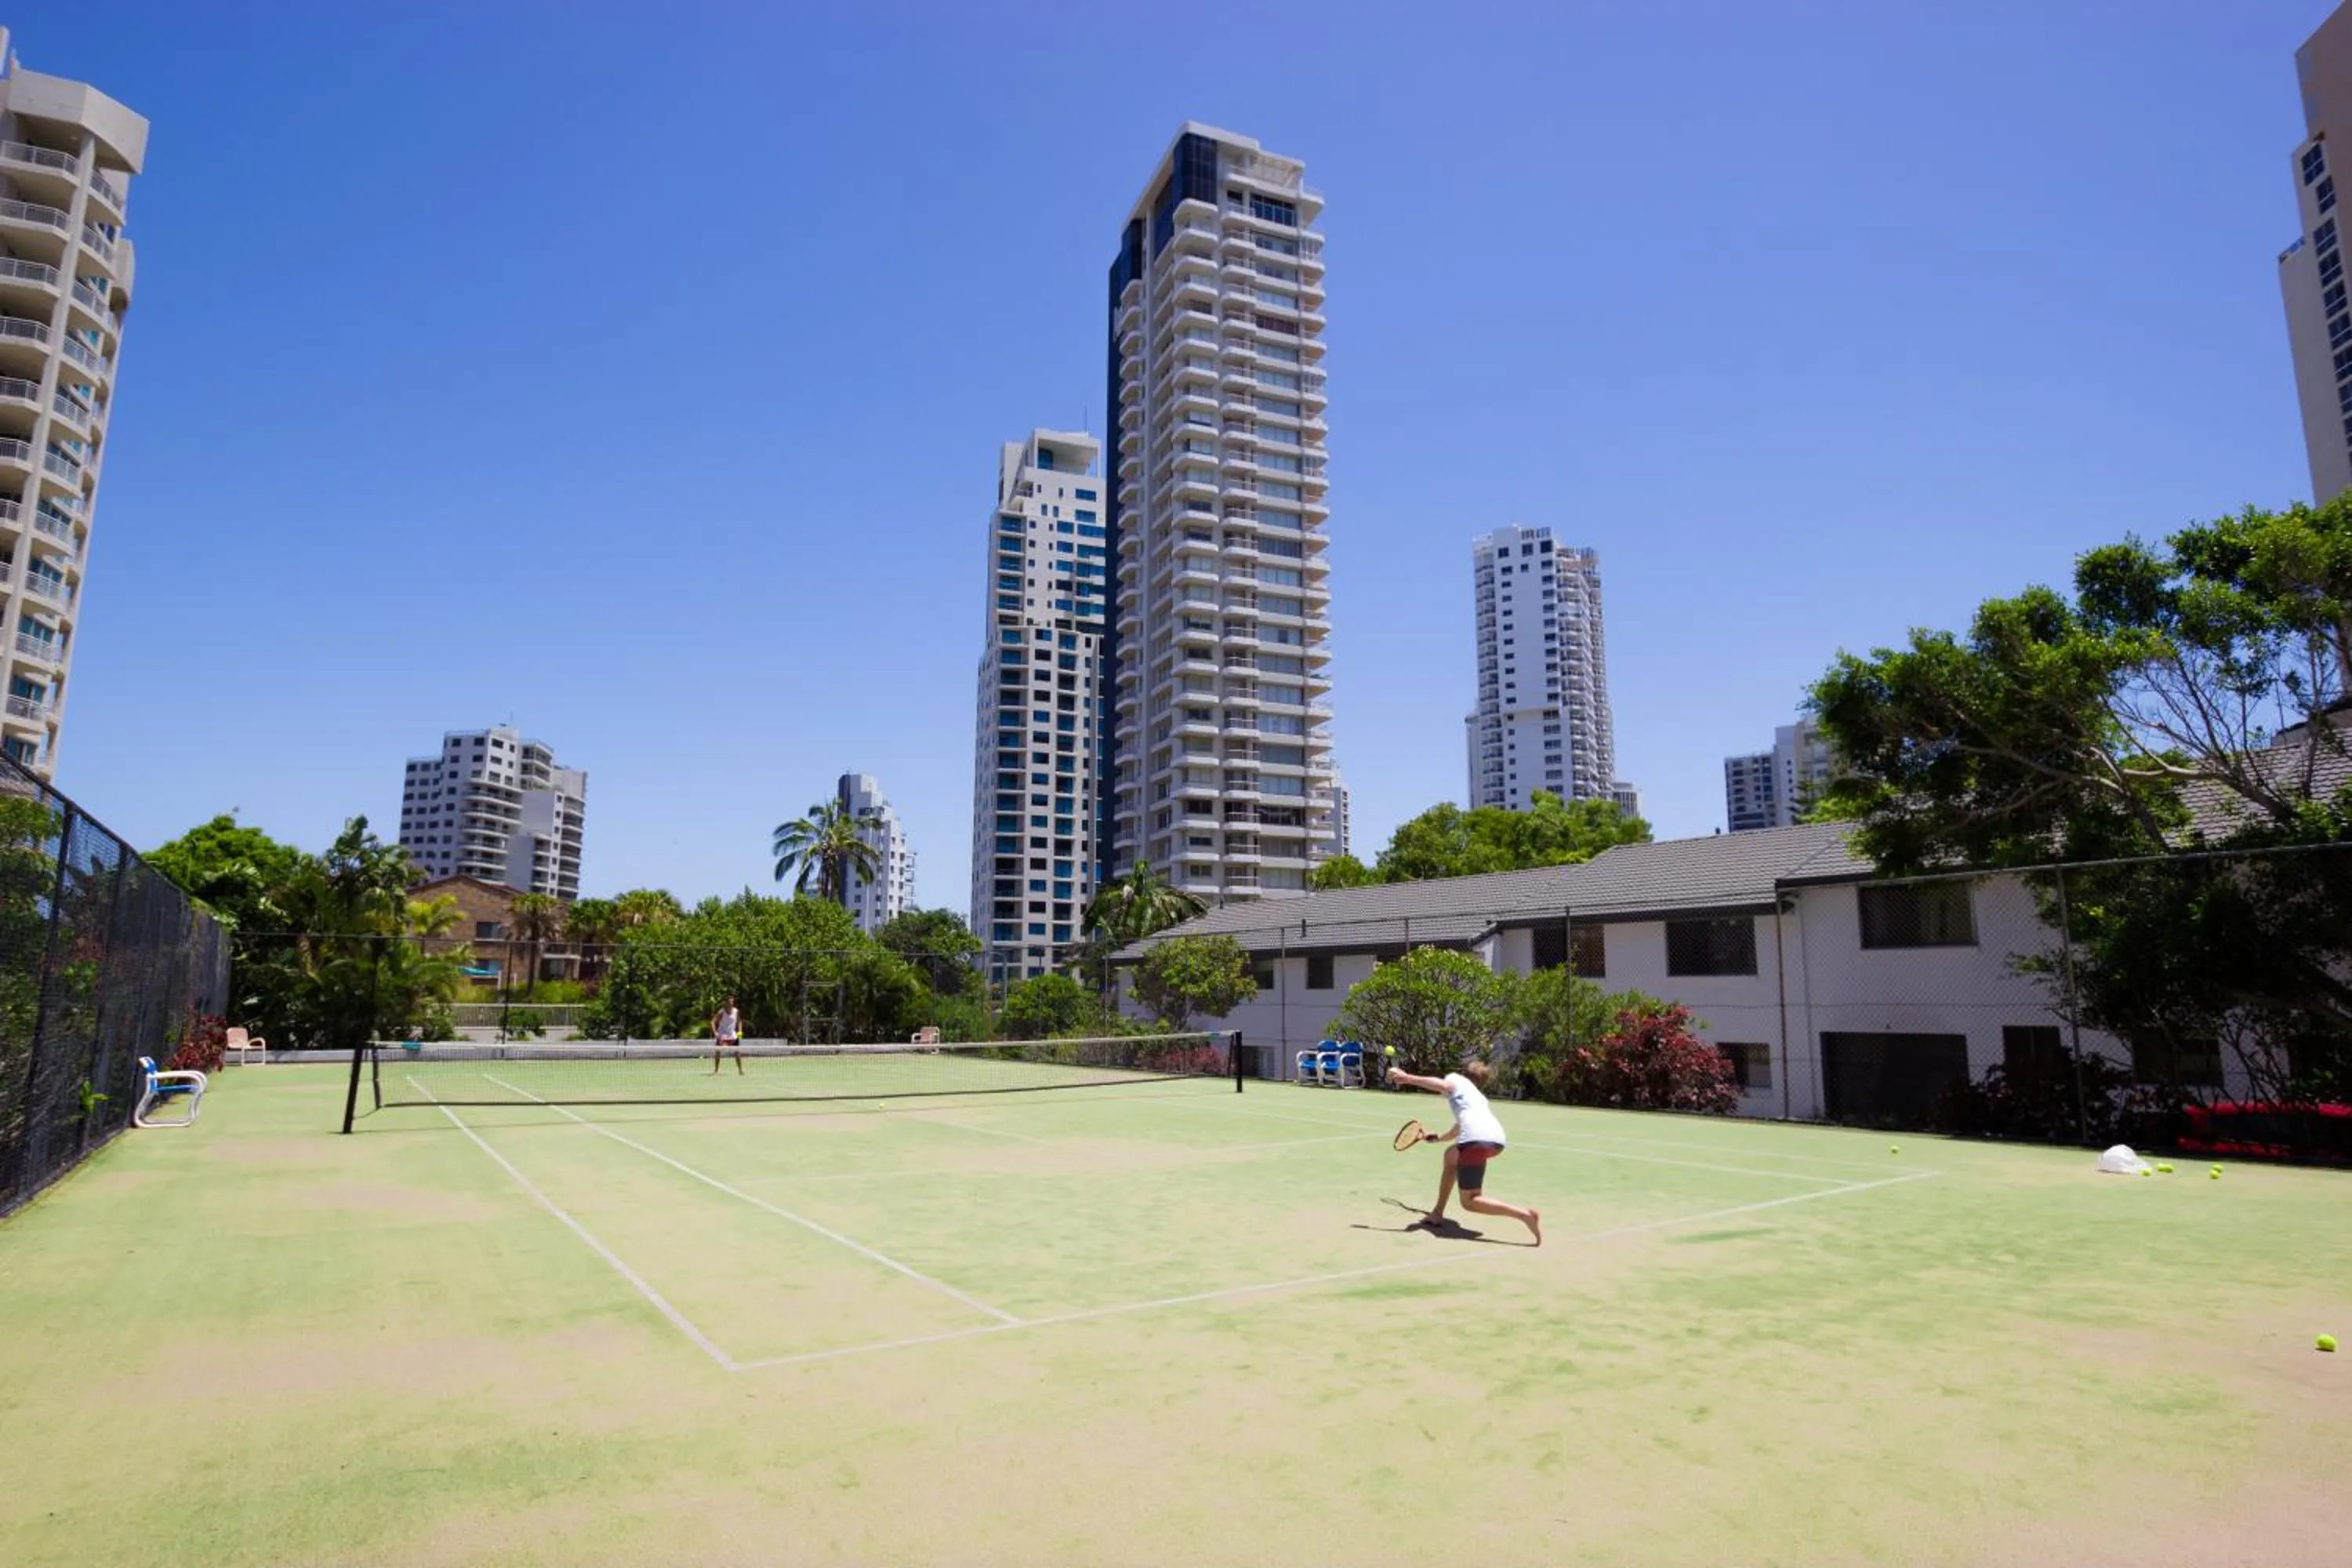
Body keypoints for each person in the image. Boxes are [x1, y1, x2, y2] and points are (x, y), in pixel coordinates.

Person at [1386, 1059, 1541, 1245]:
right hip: (1496, 1141)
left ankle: (1524, 1215)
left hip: (1475, 1142)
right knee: (1451, 1156)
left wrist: (1407, 1078)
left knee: (1470, 1202)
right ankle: (1437, 1213)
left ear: (1462, 1072)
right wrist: (1436, 1138)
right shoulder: (1477, 1098)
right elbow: (1456, 1130)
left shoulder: (1455, 1080)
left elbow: (1442, 1084)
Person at [710, 996, 745, 1076]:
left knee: (737, 1053)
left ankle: (740, 1070)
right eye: (729, 1002)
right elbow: (712, 1022)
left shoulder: (736, 1011)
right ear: (726, 1003)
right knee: (718, 1053)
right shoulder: (721, 1012)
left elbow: (739, 1022)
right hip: (722, 1036)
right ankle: (716, 1071)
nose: (731, 1004)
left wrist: (740, 1032)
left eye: (732, 1002)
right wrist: (715, 1033)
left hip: (732, 1036)